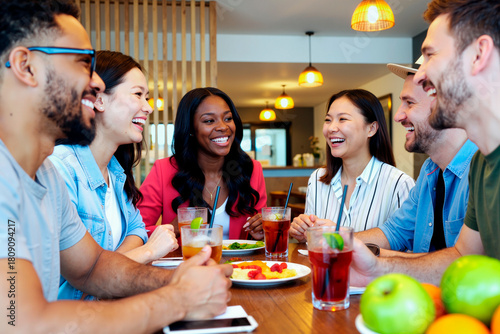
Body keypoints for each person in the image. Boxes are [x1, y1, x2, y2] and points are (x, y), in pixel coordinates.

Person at [0, 1, 231, 333]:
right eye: (83, 62)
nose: (95, 83)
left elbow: (92, 268)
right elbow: (21, 322)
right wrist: (179, 298)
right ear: (26, 66)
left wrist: (175, 279)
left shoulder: (46, 175)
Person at [350, 0, 500, 287]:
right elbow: (461, 258)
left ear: (479, 54)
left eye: (430, 55)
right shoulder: (483, 164)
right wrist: (376, 267)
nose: (420, 74)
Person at [49, 50, 178, 300]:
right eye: (138, 94)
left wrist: (113, 264)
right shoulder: (60, 168)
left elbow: (137, 229)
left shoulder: (115, 172)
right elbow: (77, 281)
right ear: (99, 100)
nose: (148, 108)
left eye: (147, 98)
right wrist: (148, 252)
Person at [355, 62, 477, 254]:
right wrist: (334, 243)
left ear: (444, 105)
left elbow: (467, 262)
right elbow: (394, 232)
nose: (397, 116)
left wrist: (378, 264)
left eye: (409, 103)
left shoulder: (482, 169)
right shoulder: (430, 170)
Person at [138, 87, 267, 240]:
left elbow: (260, 234)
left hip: (236, 264)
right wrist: (173, 228)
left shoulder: (251, 169)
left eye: (228, 118)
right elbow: (137, 233)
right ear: (190, 128)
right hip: (185, 263)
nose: (222, 127)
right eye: (209, 121)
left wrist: (260, 229)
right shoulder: (163, 170)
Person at [289, 89, 415, 242]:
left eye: (342, 119)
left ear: (371, 129)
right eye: (328, 120)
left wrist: (340, 238)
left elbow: (407, 251)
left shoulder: (399, 184)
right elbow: (312, 243)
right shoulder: (317, 179)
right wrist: (301, 232)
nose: (331, 128)